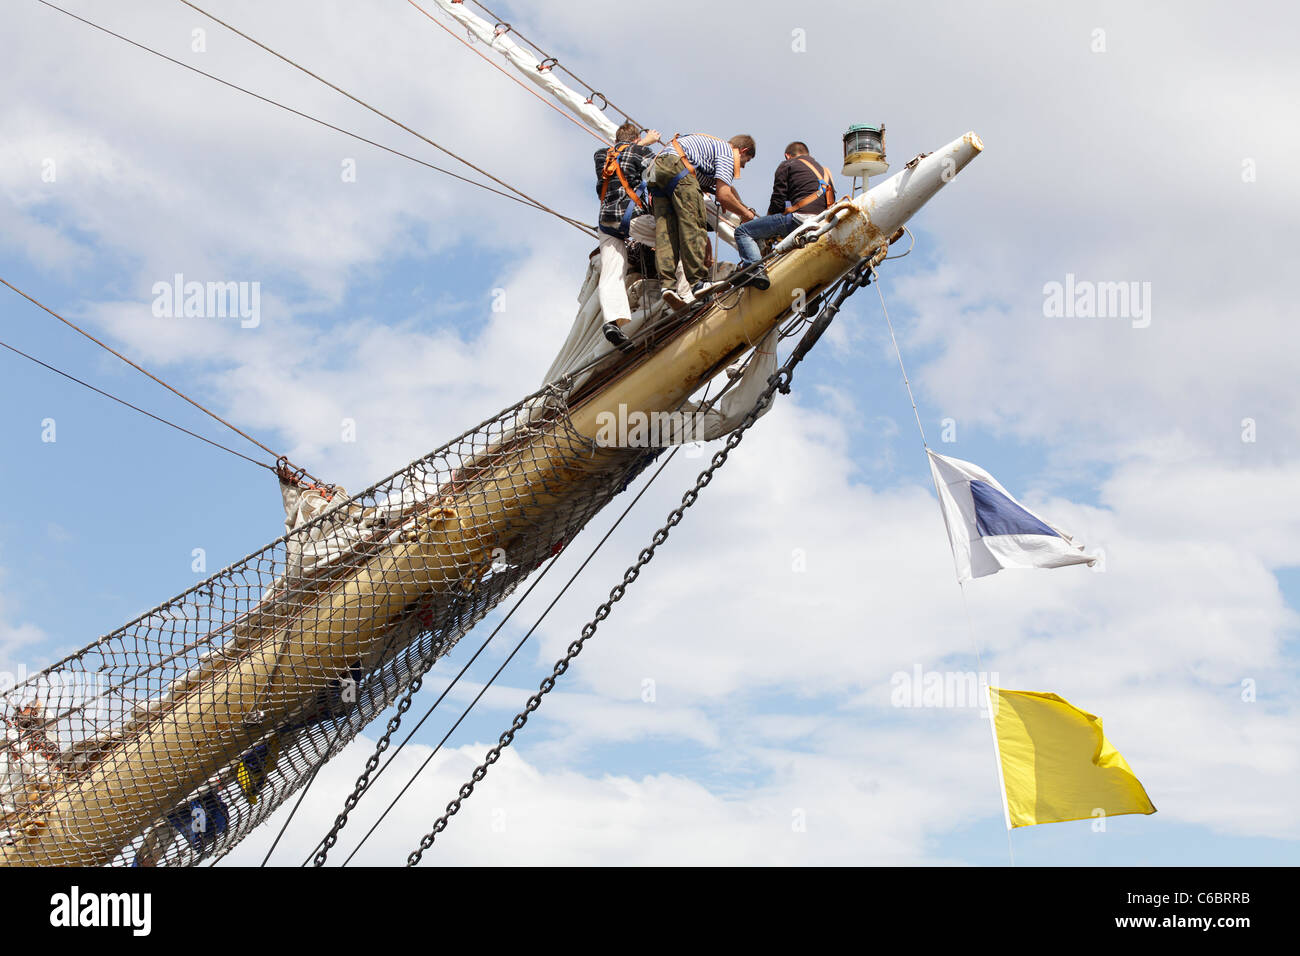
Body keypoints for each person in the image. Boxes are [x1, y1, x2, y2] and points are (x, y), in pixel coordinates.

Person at [647, 133, 757, 307]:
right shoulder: (728, 152)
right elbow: (724, 194)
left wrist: (738, 204)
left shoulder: (710, 151)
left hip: (657, 171)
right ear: (742, 151)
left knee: (667, 232)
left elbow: (728, 191)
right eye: (746, 161)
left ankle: (667, 286)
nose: (743, 166)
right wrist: (746, 214)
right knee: (695, 224)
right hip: (679, 168)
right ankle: (696, 282)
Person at [733, 142, 836, 290]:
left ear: (787, 155)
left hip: (799, 220)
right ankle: (811, 291)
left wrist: (768, 229)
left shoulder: (788, 164)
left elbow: (778, 200)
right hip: (821, 224)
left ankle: (754, 270)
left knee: (743, 232)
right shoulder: (825, 172)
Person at [595, 122, 661, 349]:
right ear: (635, 139)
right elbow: (660, 172)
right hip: (631, 217)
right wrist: (648, 142)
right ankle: (686, 288)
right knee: (673, 241)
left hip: (606, 222)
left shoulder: (601, 156)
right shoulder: (641, 150)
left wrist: (639, 141)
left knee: (612, 273)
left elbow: (621, 154)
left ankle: (613, 322)